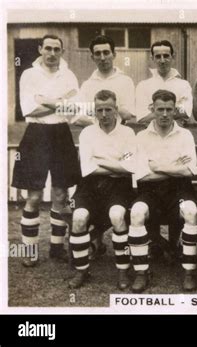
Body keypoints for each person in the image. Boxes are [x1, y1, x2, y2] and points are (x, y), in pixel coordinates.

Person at [12, 34, 81, 267]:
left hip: (61, 133)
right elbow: (29, 110)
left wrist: (47, 101)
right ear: (40, 49)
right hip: (36, 134)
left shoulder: (69, 74)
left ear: (62, 52)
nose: (52, 53)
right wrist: (61, 100)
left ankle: (56, 248)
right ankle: (29, 252)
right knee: (33, 196)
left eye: (57, 49)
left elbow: (74, 110)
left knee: (61, 195)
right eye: (48, 48)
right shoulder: (29, 75)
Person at [129, 89, 197, 293]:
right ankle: (142, 272)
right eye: (160, 109)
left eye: (169, 109)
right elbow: (141, 175)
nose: (165, 114)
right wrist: (174, 168)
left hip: (180, 191)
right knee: (136, 213)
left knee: (191, 211)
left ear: (175, 110)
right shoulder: (141, 136)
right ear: (152, 109)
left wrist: (157, 166)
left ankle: (188, 272)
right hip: (150, 191)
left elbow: (190, 170)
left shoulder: (185, 135)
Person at [68, 90, 136, 289]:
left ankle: (123, 270)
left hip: (119, 187)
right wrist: (116, 163)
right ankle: (82, 270)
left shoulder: (128, 133)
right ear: (95, 111)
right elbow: (87, 170)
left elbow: (130, 168)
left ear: (116, 110)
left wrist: (102, 162)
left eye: (108, 109)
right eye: (100, 110)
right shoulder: (87, 133)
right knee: (79, 217)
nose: (104, 114)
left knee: (117, 215)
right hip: (90, 186)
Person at [76, 35, 135, 125]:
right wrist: (100, 127)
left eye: (106, 52)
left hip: (119, 134)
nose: (102, 58)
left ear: (114, 55)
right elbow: (80, 118)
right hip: (94, 134)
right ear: (92, 57)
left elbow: (128, 115)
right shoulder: (87, 85)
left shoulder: (126, 81)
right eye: (98, 53)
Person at [135, 40, 192, 126]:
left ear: (173, 57)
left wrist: (154, 110)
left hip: (177, 134)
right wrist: (174, 107)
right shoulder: (143, 86)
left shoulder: (184, 85)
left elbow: (185, 112)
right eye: (158, 56)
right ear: (152, 58)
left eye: (166, 56)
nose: (162, 60)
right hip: (150, 135)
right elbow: (142, 117)